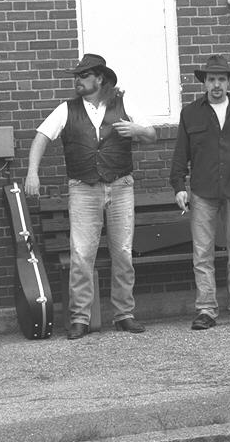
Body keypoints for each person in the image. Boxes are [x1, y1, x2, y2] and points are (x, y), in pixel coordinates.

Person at [24, 54, 157, 340]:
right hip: (83, 187)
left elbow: (151, 135)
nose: (78, 80)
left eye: (83, 75)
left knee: (123, 252)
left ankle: (124, 315)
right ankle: (80, 318)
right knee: (82, 254)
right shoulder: (66, 109)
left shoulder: (123, 103)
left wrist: (136, 130)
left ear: (99, 78)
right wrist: (32, 172)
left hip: (120, 185)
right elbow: (41, 137)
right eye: (77, 76)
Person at [170, 55, 230, 330]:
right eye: (211, 79)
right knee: (202, 254)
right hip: (202, 192)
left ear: (229, 82)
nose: (216, 85)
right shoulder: (190, 113)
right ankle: (206, 310)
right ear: (205, 82)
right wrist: (179, 187)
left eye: (221, 79)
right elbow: (180, 155)